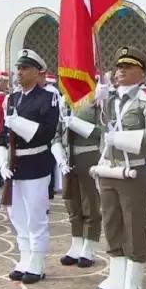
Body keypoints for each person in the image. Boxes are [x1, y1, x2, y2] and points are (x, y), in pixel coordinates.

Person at [88, 46, 146, 289]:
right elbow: (97, 129)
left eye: (128, 67)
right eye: (119, 66)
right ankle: (115, 279)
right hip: (109, 168)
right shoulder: (108, 99)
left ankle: (132, 285)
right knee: (111, 223)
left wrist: (120, 138)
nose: (120, 71)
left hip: (133, 170)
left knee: (133, 225)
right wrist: (96, 101)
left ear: (140, 73)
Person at [0, 49, 59, 284]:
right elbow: (2, 136)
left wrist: (18, 123)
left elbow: (45, 134)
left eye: (25, 68)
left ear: (38, 72)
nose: (19, 73)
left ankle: (38, 262)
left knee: (35, 216)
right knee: (17, 215)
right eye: (18, 68)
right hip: (14, 164)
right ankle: (25, 257)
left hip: (36, 162)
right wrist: (1, 161)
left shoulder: (47, 97)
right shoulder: (12, 99)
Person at [58, 88, 103, 268]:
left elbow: (102, 132)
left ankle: (89, 246)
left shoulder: (95, 100)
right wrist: (60, 158)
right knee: (72, 202)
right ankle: (76, 243)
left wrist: (77, 124)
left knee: (90, 203)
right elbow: (57, 132)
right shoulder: (64, 101)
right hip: (68, 158)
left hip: (89, 155)